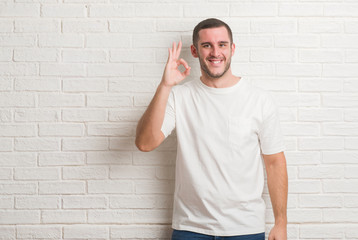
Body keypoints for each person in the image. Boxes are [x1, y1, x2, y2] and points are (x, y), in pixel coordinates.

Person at [135, 18, 288, 240]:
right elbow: (145, 143)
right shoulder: (179, 97)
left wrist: (280, 223)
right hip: (190, 228)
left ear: (232, 49)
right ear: (195, 51)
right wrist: (165, 85)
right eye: (207, 45)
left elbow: (275, 162)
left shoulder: (259, 100)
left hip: (245, 227)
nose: (215, 52)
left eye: (222, 44)